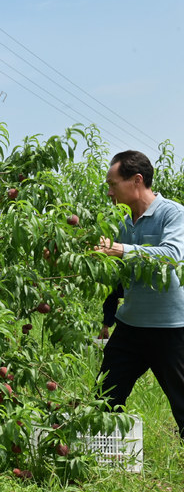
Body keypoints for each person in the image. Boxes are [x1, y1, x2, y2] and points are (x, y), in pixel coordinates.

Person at [94, 150, 184, 436]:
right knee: (103, 399)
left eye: (112, 184)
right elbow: (115, 273)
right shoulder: (122, 221)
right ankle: (98, 460)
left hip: (171, 329)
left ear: (136, 180)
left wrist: (120, 249)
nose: (109, 191)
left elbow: (171, 256)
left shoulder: (173, 213)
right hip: (131, 327)